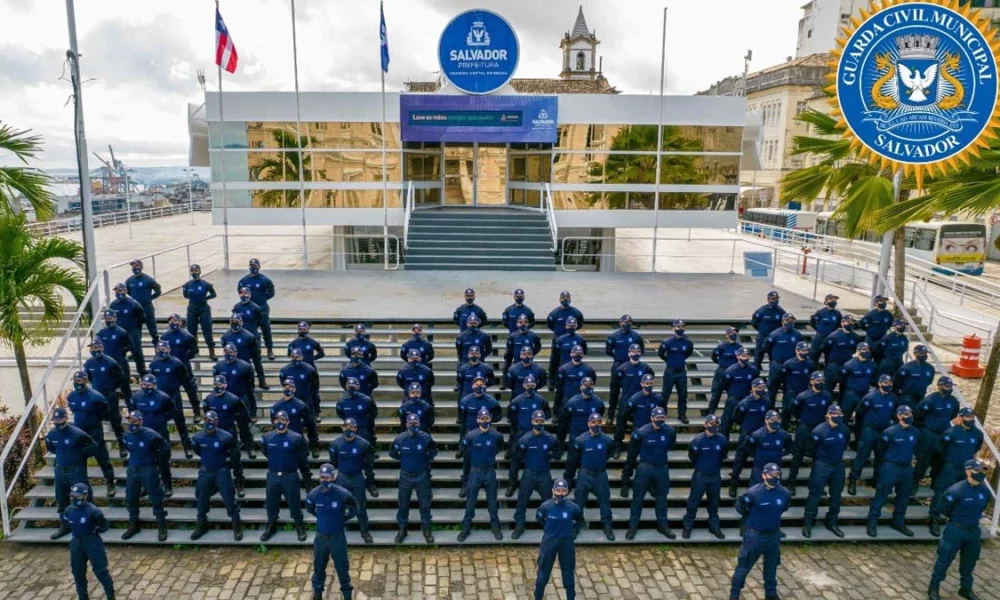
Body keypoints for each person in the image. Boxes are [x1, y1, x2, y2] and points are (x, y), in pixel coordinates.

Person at [927, 459, 990, 600]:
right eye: (977, 470)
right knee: (944, 559)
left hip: (973, 531)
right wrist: (956, 518)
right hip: (956, 530)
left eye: (982, 470)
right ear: (968, 471)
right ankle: (934, 588)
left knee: (969, 562)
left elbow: (982, 507)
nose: (980, 473)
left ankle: (965, 589)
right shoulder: (956, 490)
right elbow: (942, 508)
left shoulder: (984, 491)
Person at [729, 463, 790, 600]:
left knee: (771, 566)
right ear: (764, 475)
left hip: (773, 535)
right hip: (755, 535)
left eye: (777, 475)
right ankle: (734, 594)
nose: (775, 478)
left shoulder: (784, 493)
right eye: (771, 475)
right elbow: (740, 507)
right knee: (744, 565)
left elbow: (784, 508)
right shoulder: (753, 493)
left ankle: (771, 593)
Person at [622, 407, 676, 540]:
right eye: (657, 418)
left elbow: (671, 445)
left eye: (662, 418)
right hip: (645, 467)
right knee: (638, 499)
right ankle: (633, 526)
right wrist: (626, 475)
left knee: (662, 498)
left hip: (662, 467)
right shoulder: (642, 433)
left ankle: (662, 525)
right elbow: (632, 454)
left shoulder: (670, 432)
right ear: (652, 418)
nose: (660, 420)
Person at [928, 408, 983, 537]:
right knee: (941, 492)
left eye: (972, 417)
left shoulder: (977, 434)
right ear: (961, 417)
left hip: (967, 470)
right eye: (968, 417)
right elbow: (941, 448)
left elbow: (977, 447)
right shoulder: (951, 433)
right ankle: (934, 517)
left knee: (963, 494)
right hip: (950, 467)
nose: (971, 420)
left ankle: (955, 517)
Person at [190, 411, 245, 541]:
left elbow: (233, 454)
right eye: (206, 420)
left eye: (211, 420)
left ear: (216, 421)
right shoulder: (198, 437)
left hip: (221, 471)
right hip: (205, 470)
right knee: (201, 498)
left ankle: (236, 525)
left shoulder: (225, 437)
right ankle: (202, 525)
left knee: (229, 499)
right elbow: (197, 450)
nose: (208, 423)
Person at [307, 464, 358, 600]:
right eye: (322, 477)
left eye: (328, 477)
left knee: (342, 568)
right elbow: (310, 509)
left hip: (337, 539)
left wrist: (342, 519)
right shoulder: (313, 495)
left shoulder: (343, 494)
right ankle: (317, 594)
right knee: (318, 568)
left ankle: (347, 594)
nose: (325, 480)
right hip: (321, 539)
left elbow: (354, 509)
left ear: (333, 477)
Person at [866, 405, 919, 538]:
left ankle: (898, 522)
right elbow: (881, 449)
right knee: (882, 494)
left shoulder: (915, 432)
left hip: (906, 468)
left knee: (903, 497)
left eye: (910, 414)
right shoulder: (890, 432)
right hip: (891, 467)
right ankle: (872, 522)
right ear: (899, 416)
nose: (909, 417)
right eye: (906, 415)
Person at [46, 407, 97, 540]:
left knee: (84, 496)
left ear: (66, 418)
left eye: (60, 419)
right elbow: (52, 448)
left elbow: (93, 447)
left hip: (76, 469)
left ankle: (91, 523)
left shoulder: (77, 433)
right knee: (61, 498)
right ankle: (65, 525)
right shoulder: (51, 435)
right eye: (55, 420)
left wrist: (81, 456)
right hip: (60, 469)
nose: (58, 422)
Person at [260, 410, 310, 543]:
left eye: (282, 419)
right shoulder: (266, 437)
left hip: (290, 475)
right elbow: (265, 452)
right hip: (273, 475)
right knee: (271, 503)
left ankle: (299, 526)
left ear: (287, 421)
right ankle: (271, 525)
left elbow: (303, 454)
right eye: (277, 419)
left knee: (294, 503)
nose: (279, 422)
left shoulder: (296, 438)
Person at [563, 413, 615, 541]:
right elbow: (574, 458)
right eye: (593, 423)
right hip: (585, 474)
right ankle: (576, 526)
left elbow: (610, 453)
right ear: (588, 424)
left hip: (600, 474)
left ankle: (607, 526)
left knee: (604, 502)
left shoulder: (607, 440)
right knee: (579, 502)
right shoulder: (581, 440)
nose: (596, 425)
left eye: (598, 423)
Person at [510, 410, 560, 538]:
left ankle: (549, 526)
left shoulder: (550, 438)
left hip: (544, 474)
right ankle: (519, 526)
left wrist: (550, 456)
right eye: (537, 421)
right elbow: (518, 454)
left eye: (541, 421)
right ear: (532, 422)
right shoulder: (525, 439)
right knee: (522, 500)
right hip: (529, 473)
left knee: (549, 502)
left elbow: (557, 452)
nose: (539, 423)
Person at [65, 371, 116, 498]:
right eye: (75, 381)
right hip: (79, 432)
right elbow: (73, 409)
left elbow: (105, 412)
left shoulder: (96, 397)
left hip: (94, 430)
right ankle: (82, 487)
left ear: (86, 381)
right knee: (79, 459)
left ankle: (110, 482)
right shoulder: (71, 396)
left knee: (102, 456)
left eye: (80, 381)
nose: (77, 383)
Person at [802, 405, 849, 538]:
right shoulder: (819, 431)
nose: (838, 416)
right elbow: (811, 449)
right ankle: (808, 522)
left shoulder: (844, 430)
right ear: (828, 415)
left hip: (838, 465)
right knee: (815, 494)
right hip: (822, 464)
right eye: (835, 413)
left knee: (836, 496)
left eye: (840, 413)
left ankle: (832, 522)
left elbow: (845, 443)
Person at [533, 479, 585, 600]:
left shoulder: (573, 508)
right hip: (549, 542)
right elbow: (539, 519)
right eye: (558, 490)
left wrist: (572, 530)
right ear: (553, 491)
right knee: (543, 574)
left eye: (563, 491)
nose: (560, 493)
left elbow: (580, 520)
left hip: (566, 543)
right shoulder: (545, 507)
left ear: (566, 492)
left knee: (568, 574)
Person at [121, 411, 169, 542]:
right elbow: (128, 448)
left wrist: (157, 462)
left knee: (155, 499)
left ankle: (162, 526)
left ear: (141, 421)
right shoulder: (126, 435)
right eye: (130, 420)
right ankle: (133, 525)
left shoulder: (151, 435)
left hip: (148, 470)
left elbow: (164, 449)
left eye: (135, 421)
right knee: (131, 498)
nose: (132, 423)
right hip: (133, 470)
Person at [458, 408, 505, 541]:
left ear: (490, 419)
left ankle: (495, 527)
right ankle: (465, 528)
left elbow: (499, 447)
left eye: (487, 418)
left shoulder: (496, 436)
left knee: (492, 502)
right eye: (482, 418)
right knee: (471, 501)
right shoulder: (470, 436)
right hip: (475, 471)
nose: (485, 421)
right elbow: (465, 449)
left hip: (489, 471)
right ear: (478, 420)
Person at [390, 413, 437, 544]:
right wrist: (405, 460)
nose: (413, 426)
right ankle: (402, 530)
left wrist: (422, 460)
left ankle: (427, 530)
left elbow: (433, 452)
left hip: (422, 475)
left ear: (419, 424)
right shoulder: (400, 439)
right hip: (406, 476)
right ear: (406, 424)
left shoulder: (426, 438)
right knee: (403, 504)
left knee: (425, 504)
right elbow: (392, 453)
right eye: (410, 423)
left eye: (415, 423)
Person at [64, 483, 116, 600]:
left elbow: (104, 526)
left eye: (78, 496)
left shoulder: (93, 511)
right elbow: (67, 524)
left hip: (92, 542)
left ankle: (111, 596)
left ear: (85, 496)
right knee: (78, 572)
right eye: (73, 496)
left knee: (101, 571)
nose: (75, 499)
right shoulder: (68, 511)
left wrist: (94, 531)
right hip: (76, 543)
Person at [783, 372, 832, 494]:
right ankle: (791, 483)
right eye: (818, 380)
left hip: (820, 429)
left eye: (822, 380)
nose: (820, 383)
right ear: (811, 381)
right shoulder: (803, 396)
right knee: (798, 456)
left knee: (818, 458)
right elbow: (792, 409)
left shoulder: (827, 396)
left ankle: (815, 485)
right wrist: (800, 418)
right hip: (805, 428)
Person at [329, 419, 377, 544]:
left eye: (351, 427)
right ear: (342, 428)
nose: (348, 429)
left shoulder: (364, 444)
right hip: (342, 478)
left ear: (356, 429)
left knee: (360, 506)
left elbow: (368, 463)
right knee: (339, 506)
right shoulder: (335, 444)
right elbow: (333, 462)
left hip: (357, 478)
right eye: (346, 426)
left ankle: (364, 531)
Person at [849, 374, 897, 495]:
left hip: (884, 431)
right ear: (880, 383)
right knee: (862, 456)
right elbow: (860, 412)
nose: (888, 386)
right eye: (886, 383)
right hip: (870, 431)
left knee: (881, 458)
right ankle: (853, 481)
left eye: (890, 383)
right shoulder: (870, 397)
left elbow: (894, 413)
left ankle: (876, 481)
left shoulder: (893, 397)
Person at [683, 413, 728, 540]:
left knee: (714, 503)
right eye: (711, 424)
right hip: (700, 476)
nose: (713, 426)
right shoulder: (697, 441)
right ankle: (688, 525)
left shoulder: (722, 440)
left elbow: (723, 455)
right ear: (705, 424)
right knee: (693, 502)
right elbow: (692, 456)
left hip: (715, 476)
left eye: (716, 424)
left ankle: (714, 526)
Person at [132, 374, 179, 497]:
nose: (145, 387)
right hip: (143, 435)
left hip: (159, 433)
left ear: (154, 385)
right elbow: (134, 412)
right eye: (143, 385)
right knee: (145, 462)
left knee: (163, 461)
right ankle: (146, 486)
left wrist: (162, 420)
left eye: (148, 385)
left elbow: (172, 411)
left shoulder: (163, 397)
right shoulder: (137, 396)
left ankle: (167, 485)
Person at [83, 338, 131, 458]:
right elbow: (89, 378)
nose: (94, 350)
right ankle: (98, 449)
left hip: (109, 396)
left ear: (102, 348)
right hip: (96, 398)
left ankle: (122, 445)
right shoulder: (88, 364)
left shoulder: (111, 362)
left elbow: (120, 379)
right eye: (92, 348)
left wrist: (112, 390)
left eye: (97, 348)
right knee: (95, 424)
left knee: (115, 422)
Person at [913, 377, 961, 494]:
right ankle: (914, 484)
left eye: (949, 387)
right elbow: (918, 416)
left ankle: (935, 483)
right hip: (928, 434)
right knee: (922, 462)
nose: (948, 389)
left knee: (940, 462)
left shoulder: (954, 401)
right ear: (939, 386)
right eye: (945, 386)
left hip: (943, 436)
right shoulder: (929, 400)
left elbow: (953, 415)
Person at [148, 340, 195, 458]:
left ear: (169, 349)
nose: (162, 352)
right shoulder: (154, 364)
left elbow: (185, 380)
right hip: (160, 398)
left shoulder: (177, 363)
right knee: (161, 425)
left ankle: (187, 447)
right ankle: (164, 450)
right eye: (159, 350)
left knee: (180, 423)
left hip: (174, 396)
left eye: (164, 350)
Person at [729, 410, 790, 498]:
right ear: (766, 420)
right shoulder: (757, 435)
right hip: (759, 469)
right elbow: (748, 447)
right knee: (754, 494)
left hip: (775, 471)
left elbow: (789, 447)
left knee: (774, 496)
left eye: (777, 419)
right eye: (773, 420)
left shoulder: (783, 434)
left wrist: (781, 454)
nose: (775, 422)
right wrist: (755, 455)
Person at [203, 375, 256, 459]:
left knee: (243, 431)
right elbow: (206, 413)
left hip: (229, 427)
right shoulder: (208, 399)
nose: (217, 387)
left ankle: (249, 447)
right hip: (217, 428)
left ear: (225, 385)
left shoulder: (233, 398)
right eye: (215, 384)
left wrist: (241, 419)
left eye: (219, 384)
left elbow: (243, 412)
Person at [612, 373, 664, 459]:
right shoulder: (635, 398)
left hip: (652, 428)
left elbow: (663, 410)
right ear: (642, 384)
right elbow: (627, 413)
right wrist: (635, 419)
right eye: (647, 383)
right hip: (638, 427)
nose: (649, 385)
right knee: (632, 453)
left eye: (651, 383)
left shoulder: (658, 398)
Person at [161, 313, 201, 419]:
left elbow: (195, 350)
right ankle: (173, 413)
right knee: (172, 392)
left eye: (175, 320)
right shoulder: (165, 336)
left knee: (191, 390)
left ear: (180, 322)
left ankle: (197, 412)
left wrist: (186, 357)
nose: (173, 323)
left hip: (184, 367)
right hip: (171, 369)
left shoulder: (187, 336)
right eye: (171, 321)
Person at [606, 315, 645, 423]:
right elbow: (608, 350)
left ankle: (630, 414)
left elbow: (642, 349)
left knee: (631, 391)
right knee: (614, 390)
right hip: (618, 365)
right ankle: (611, 414)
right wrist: (617, 358)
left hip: (631, 366)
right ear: (620, 323)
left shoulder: (636, 337)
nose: (626, 323)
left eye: (629, 322)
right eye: (624, 321)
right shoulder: (614, 336)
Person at [270, 378, 321, 459]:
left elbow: (310, 423)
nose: (287, 389)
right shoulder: (276, 407)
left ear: (294, 389)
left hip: (298, 437)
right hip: (283, 437)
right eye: (285, 387)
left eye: (290, 387)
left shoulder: (301, 405)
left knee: (303, 460)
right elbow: (273, 422)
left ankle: (314, 447)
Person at [237, 258, 276, 359]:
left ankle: (269, 350)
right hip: (249, 310)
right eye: (251, 265)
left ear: (259, 267)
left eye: (255, 265)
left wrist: (262, 299)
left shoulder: (265, 280)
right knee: (249, 331)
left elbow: (271, 293)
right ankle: (251, 350)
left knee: (266, 329)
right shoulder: (244, 280)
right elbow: (240, 291)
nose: (253, 267)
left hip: (262, 308)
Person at [456, 376, 502, 458]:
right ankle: (462, 450)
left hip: (485, 431)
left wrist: (488, 421)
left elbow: (498, 415)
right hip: (469, 429)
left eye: (481, 384)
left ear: (485, 386)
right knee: (468, 455)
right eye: (477, 384)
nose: (479, 386)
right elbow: (461, 415)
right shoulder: (465, 400)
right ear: (473, 386)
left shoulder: (492, 401)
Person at [506, 374, 551, 456]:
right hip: (521, 431)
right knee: (515, 456)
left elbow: (547, 414)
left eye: (532, 385)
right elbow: (511, 416)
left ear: (536, 385)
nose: (530, 387)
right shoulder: (517, 400)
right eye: (528, 385)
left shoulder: (541, 400)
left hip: (536, 432)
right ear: (524, 386)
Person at [658, 320, 694, 423]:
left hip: (682, 372)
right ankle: (662, 414)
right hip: (670, 371)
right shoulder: (667, 342)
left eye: (683, 326)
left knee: (683, 394)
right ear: (673, 328)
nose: (681, 329)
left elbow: (688, 353)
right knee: (665, 394)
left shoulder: (688, 342)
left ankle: (682, 415)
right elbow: (661, 354)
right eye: (678, 327)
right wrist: (669, 361)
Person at [221, 313, 268, 391]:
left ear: (241, 322)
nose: (234, 323)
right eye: (233, 321)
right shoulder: (225, 336)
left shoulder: (249, 336)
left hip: (246, 363)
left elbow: (256, 356)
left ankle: (262, 381)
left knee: (257, 363)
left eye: (237, 321)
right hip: (232, 364)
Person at [109, 282, 148, 376]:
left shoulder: (134, 304)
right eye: (117, 291)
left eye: (120, 290)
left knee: (136, 351)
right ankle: (122, 373)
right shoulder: (113, 304)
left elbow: (142, 317)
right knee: (119, 353)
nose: (118, 293)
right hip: (119, 333)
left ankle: (142, 371)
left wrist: (136, 328)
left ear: (126, 291)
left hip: (132, 331)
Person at [711, 347, 758, 422]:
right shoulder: (731, 370)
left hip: (746, 398)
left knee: (745, 420)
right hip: (733, 398)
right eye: (743, 356)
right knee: (727, 420)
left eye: (747, 356)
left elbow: (754, 383)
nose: (746, 358)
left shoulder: (753, 370)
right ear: (738, 356)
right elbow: (724, 384)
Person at [611, 344, 654, 424]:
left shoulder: (645, 367)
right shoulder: (622, 368)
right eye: (633, 352)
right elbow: (615, 382)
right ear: (629, 353)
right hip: (626, 397)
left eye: (638, 352)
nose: (636, 354)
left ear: (641, 353)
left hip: (640, 398)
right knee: (621, 421)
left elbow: (651, 378)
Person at [557, 378, 605, 450]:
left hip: (591, 436)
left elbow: (600, 415)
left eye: (590, 385)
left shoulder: (598, 403)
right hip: (576, 435)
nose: (588, 387)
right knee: (573, 459)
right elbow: (563, 420)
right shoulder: (572, 402)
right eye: (585, 385)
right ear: (581, 387)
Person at [182, 264, 218, 360]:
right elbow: (185, 295)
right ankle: (194, 350)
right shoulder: (187, 285)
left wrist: (205, 298)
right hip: (192, 309)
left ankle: (211, 351)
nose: (194, 273)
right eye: (192, 271)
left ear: (200, 271)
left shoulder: (206, 284)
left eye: (196, 270)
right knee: (191, 331)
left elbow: (214, 294)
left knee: (207, 330)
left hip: (204, 309)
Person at [125, 258, 162, 346]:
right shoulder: (129, 281)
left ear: (141, 267)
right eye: (133, 266)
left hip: (147, 307)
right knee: (136, 332)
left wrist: (150, 298)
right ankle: (137, 352)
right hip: (136, 309)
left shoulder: (148, 279)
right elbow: (128, 293)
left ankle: (158, 350)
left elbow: (158, 290)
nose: (135, 268)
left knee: (153, 331)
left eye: (137, 265)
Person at [767, 341, 814, 411]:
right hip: (791, 392)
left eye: (806, 350)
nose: (805, 352)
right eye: (803, 350)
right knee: (787, 412)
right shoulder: (789, 363)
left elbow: (812, 377)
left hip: (804, 392)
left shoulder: (810, 363)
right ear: (797, 351)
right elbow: (780, 377)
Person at [821, 315, 862, 394]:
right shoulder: (833, 336)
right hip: (834, 366)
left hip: (847, 367)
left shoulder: (855, 337)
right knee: (827, 390)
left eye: (852, 322)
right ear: (842, 323)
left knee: (844, 392)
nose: (850, 324)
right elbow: (825, 349)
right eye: (848, 322)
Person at [281, 347, 323, 423]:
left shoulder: (310, 369)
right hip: (293, 398)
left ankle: (315, 417)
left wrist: (310, 393)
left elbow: (315, 384)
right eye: (292, 357)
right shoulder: (284, 370)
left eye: (297, 357)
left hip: (306, 397)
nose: (295, 359)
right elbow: (283, 383)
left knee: (310, 421)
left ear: (301, 357)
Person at [838, 342, 878, 423]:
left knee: (862, 417)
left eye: (868, 350)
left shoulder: (872, 365)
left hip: (864, 394)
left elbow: (874, 379)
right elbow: (841, 378)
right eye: (864, 350)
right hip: (851, 394)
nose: (866, 351)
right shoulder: (849, 364)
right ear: (858, 350)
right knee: (845, 416)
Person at [336, 377, 379, 450]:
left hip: (364, 428)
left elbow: (373, 413)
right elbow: (340, 414)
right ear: (346, 387)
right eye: (349, 387)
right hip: (350, 429)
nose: (351, 389)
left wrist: (365, 423)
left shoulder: (367, 400)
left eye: (353, 387)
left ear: (358, 387)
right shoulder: (341, 402)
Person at [555, 345, 596, 415]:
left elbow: (592, 382)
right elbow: (559, 388)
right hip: (567, 399)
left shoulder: (588, 369)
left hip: (582, 400)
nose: (578, 355)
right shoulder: (563, 369)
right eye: (576, 353)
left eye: (580, 353)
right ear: (571, 354)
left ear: (583, 354)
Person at [710, 327, 743, 411]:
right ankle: (711, 413)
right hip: (721, 372)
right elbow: (714, 357)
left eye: (735, 333)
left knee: (732, 396)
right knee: (715, 395)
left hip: (733, 373)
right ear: (727, 335)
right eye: (732, 333)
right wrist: (721, 364)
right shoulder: (722, 346)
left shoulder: (739, 347)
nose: (734, 335)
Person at [894, 344, 936, 409]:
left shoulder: (930, 368)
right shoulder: (907, 367)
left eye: (925, 353)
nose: (923, 355)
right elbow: (897, 382)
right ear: (915, 354)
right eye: (921, 353)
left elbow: (930, 381)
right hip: (907, 398)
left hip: (921, 398)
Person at [96, 309, 134, 382]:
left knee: (124, 383)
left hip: (120, 361)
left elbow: (130, 345)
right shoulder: (101, 333)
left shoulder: (122, 332)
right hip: (106, 363)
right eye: (106, 318)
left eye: (110, 318)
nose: (108, 320)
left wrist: (123, 352)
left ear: (115, 318)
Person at [750, 291, 785, 368]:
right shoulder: (762, 310)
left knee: (773, 359)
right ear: (768, 299)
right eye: (773, 299)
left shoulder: (780, 311)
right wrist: (762, 330)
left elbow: (783, 324)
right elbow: (754, 322)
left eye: (776, 299)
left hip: (774, 339)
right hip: (762, 336)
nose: (775, 301)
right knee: (758, 356)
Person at [549, 316, 586, 384]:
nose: (571, 327)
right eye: (570, 325)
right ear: (566, 326)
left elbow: (584, 351)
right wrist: (551, 378)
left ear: (576, 326)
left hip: (577, 369)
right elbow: (554, 359)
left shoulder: (581, 340)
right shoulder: (560, 340)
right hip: (563, 369)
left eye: (573, 325)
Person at [808, 294, 842, 363]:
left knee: (829, 360)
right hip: (819, 338)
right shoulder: (820, 312)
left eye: (835, 300)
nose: (833, 301)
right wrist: (819, 330)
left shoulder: (837, 314)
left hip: (831, 339)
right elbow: (812, 322)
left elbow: (840, 325)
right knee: (814, 358)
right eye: (831, 300)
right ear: (826, 302)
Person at [232, 286, 265, 354]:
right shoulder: (236, 307)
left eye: (246, 293)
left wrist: (253, 326)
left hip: (252, 330)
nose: (243, 295)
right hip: (241, 331)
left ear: (250, 294)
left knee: (256, 352)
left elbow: (260, 319)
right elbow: (234, 319)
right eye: (241, 293)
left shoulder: (255, 308)